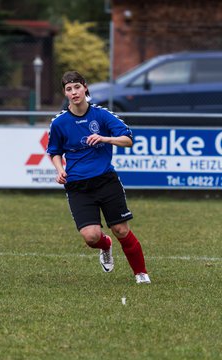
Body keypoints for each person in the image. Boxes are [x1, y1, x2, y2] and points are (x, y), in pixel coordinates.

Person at [47, 70, 151, 284]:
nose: (74, 92)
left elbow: (128, 139)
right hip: (77, 186)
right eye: (69, 89)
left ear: (85, 87)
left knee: (121, 229)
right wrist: (59, 169)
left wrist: (105, 138)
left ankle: (141, 273)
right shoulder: (59, 123)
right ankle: (105, 246)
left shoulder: (102, 115)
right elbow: (54, 151)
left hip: (106, 181)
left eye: (77, 87)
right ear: (65, 94)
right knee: (91, 237)